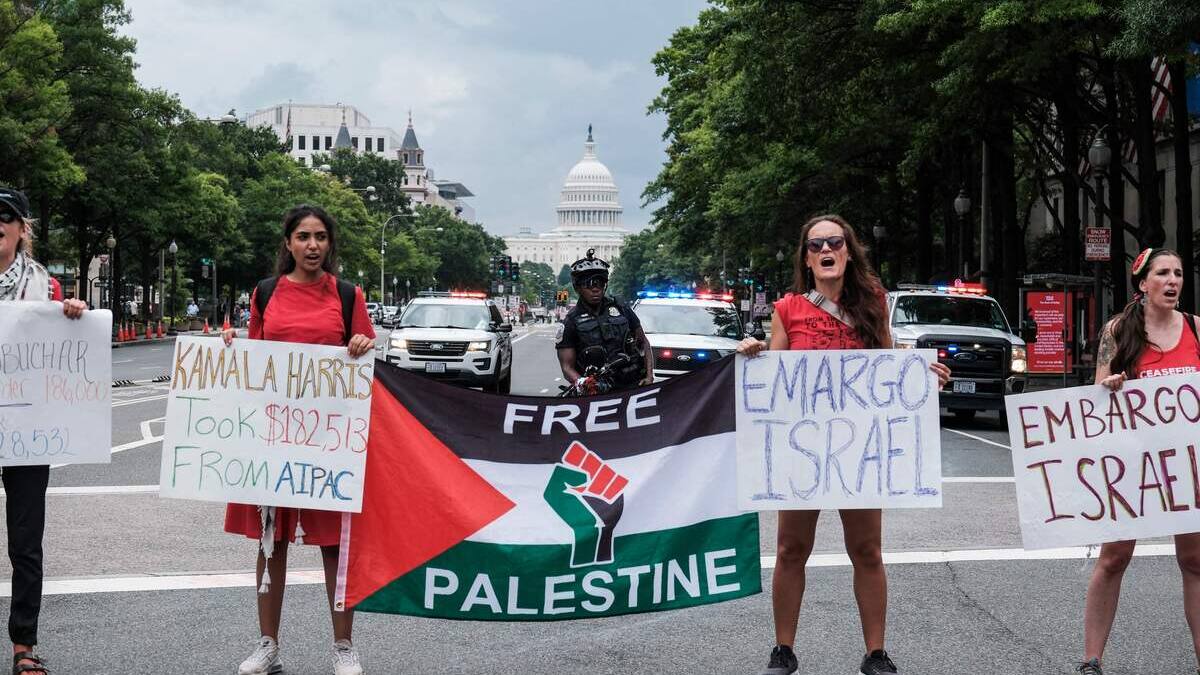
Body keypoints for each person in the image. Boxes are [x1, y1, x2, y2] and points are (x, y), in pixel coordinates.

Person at [737, 214, 949, 675]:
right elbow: (776, 381)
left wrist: (920, 374)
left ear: (849, 251)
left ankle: (876, 652)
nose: (825, 250)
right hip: (804, 450)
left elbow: (887, 367)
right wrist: (755, 355)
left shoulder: (873, 302)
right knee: (792, 549)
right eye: (816, 245)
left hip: (859, 451)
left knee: (867, 550)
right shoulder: (787, 309)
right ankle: (783, 649)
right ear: (806, 257)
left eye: (834, 242)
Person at [221, 205, 375, 675]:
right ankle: (267, 643)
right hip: (275, 434)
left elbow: (366, 358)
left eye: (321, 237)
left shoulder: (348, 296)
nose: (312, 245)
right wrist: (230, 347)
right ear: (287, 243)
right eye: (304, 236)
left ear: (330, 245)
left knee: (335, 545)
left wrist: (361, 345)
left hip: (328, 438)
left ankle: (344, 645)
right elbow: (252, 358)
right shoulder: (265, 294)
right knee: (271, 541)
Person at [1078, 247, 1200, 675]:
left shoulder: (1197, 330)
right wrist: (1111, 383)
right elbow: (1096, 394)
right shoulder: (1119, 330)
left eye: (1179, 273)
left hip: (1187, 465)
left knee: (1195, 561)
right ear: (1142, 282)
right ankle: (1092, 659)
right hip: (1134, 464)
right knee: (1114, 558)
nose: (1172, 281)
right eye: (1163, 273)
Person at [0, 187, 87, 675]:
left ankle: (23, 644)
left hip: (26, 433)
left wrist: (70, 317)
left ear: (22, 229)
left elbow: (64, 358)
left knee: (25, 542)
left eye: (6, 217)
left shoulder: (46, 289)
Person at [555, 248, 654, 393]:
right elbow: (567, 367)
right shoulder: (571, 321)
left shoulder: (622, 309)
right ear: (577, 288)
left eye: (600, 283)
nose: (595, 289)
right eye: (589, 284)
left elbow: (643, 342)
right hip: (595, 393)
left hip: (632, 387)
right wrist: (583, 384)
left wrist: (649, 376)